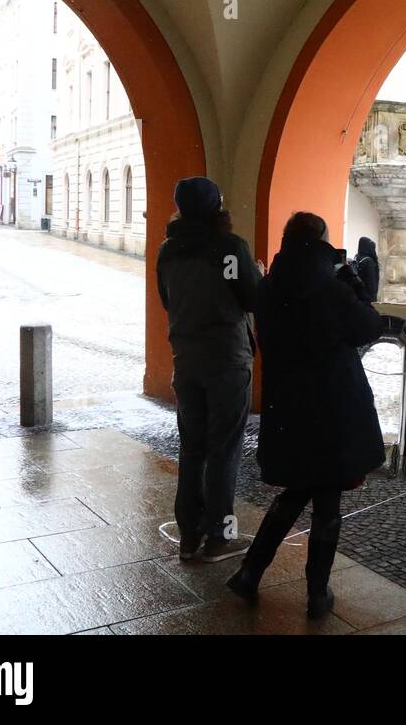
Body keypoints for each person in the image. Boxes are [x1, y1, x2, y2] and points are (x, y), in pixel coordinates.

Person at [227, 212, 386, 619]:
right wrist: (358, 287)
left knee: (297, 490)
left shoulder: (268, 287)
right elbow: (369, 328)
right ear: (320, 242)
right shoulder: (330, 290)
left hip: (288, 408)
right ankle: (317, 592)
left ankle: (249, 573)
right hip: (332, 408)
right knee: (326, 500)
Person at [156, 176, 262, 563]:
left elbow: (168, 300)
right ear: (217, 205)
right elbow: (250, 297)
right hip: (227, 361)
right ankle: (221, 536)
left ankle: (189, 535)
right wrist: (260, 274)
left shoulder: (168, 251)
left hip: (186, 360)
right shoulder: (229, 249)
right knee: (225, 449)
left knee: (193, 448)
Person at [354, 236, 380, 301]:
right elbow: (371, 284)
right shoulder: (369, 261)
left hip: (358, 295)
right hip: (368, 297)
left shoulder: (357, 258)